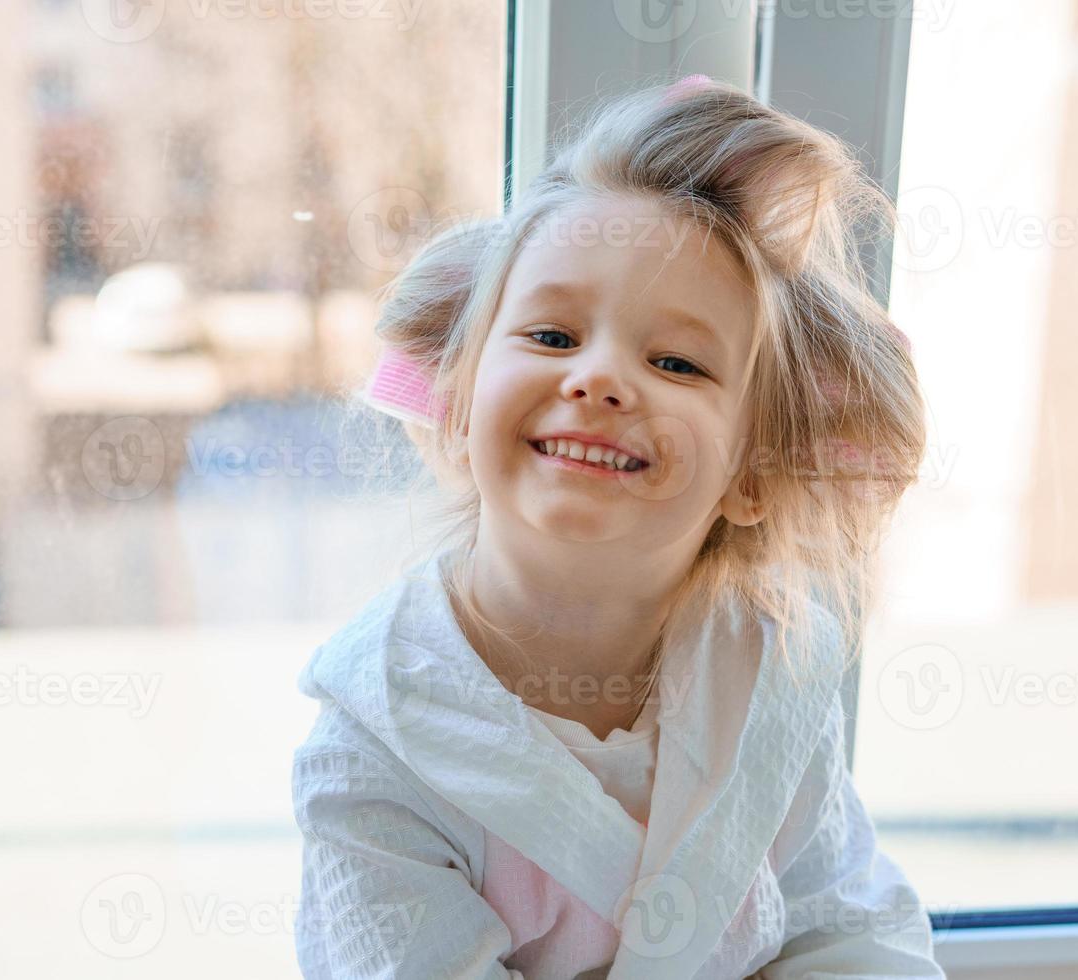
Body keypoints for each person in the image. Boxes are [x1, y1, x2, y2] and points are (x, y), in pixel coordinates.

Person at [290, 72, 945, 979]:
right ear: (457, 398)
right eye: (552, 338)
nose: (599, 379)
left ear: (754, 472)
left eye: (676, 361)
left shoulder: (767, 678)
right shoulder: (378, 749)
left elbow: (854, 935)